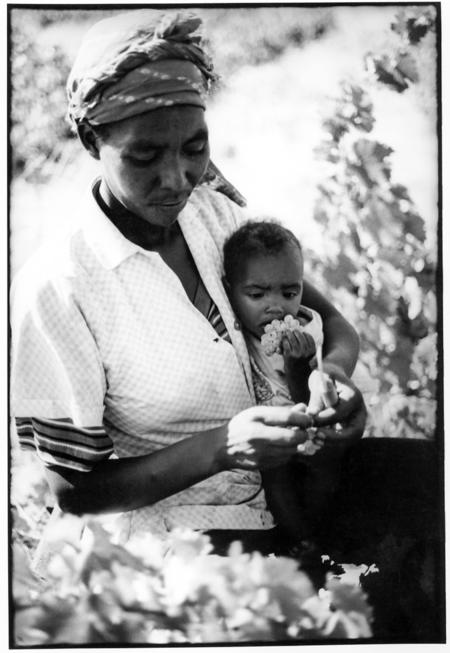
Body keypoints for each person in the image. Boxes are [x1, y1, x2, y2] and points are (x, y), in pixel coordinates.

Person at [11, 10, 366, 560]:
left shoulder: (215, 216)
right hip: (169, 542)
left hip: (287, 495)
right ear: (89, 140)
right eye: (145, 156)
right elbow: (74, 490)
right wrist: (223, 448)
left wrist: (334, 380)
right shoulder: (62, 287)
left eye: (194, 148)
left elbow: (333, 324)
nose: (177, 180)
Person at [222, 219, 352, 542]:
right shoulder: (232, 331)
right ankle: (299, 541)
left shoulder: (308, 329)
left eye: (289, 292)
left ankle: (323, 539)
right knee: (275, 474)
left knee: (327, 468)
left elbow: (308, 397)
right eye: (257, 294)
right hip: (267, 439)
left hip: (308, 424)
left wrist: (298, 364)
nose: (276, 306)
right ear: (229, 290)